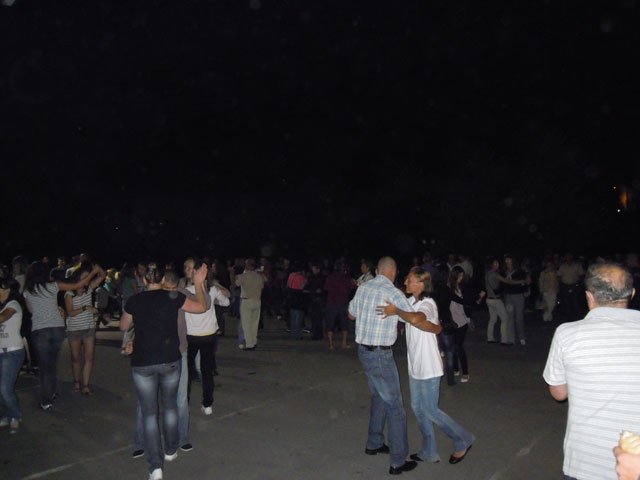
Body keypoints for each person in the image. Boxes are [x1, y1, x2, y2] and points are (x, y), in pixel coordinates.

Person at [543, 262, 640, 480]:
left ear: (589, 296)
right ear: (632, 293)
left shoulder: (567, 334)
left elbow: (559, 393)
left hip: (587, 460)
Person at [120, 262, 208, 480]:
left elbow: (123, 326)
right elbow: (202, 307)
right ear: (162, 279)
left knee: (149, 414)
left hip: (143, 363)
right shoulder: (173, 297)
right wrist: (199, 283)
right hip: (170, 360)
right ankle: (170, 450)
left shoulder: (135, 300)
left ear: (144, 280)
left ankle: (155, 467)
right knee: (170, 407)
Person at [380, 266, 475, 465]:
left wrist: (398, 311)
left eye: (409, 280)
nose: (405, 282)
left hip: (429, 366)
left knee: (430, 410)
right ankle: (429, 451)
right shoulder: (410, 301)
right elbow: (400, 310)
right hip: (415, 366)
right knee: (418, 408)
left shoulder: (428, 303)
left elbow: (415, 318)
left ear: (421, 284)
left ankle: (463, 439)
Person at [347, 256, 423, 475]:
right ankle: (398, 461)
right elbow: (412, 318)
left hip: (364, 352)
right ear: (394, 272)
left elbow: (350, 315)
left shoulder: (363, 288)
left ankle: (374, 442)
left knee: (379, 397)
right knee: (396, 407)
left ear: (378, 271)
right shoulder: (393, 293)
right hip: (380, 355)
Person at [23, 260, 103, 411]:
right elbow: (78, 285)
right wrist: (93, 272)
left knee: (45, 366)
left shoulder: (27, 291)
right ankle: (51, 392)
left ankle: (47, 400)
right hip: (57, 328)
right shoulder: (53, 286)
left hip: (40, 330)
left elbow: (31, 310)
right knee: (51, 364)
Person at [64, 263, 106, 395]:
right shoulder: (69, 293)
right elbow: (70, 312)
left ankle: (86, 385)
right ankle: (77, 383)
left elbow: (102, 275)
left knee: (89, 358)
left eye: (88, 277)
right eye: (84, 277)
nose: (87, 279)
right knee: (76, 359)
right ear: (77, 277)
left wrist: (97, 268)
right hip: (74, 329)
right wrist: (85, 308)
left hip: (88, 328)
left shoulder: (89, 289)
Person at [0, 278, 25, 434]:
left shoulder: (13, 304)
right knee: (1, 388)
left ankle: (15, 416)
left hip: (12, 352)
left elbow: (3, 318)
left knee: (5, 387)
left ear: (7, 290)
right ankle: (8, 415)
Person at [234, 258, 264, 350]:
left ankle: (249, 344)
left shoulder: (243, 276)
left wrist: (232, 274)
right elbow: (262, 287)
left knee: (246, 324)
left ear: (247, 265)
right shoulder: (259, 276)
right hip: (257, 300)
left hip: (247, 301)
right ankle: (254, 342)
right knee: (254, 323)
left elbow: (234, 285)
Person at [324, 260, 355, 350]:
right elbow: (351, 288)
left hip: (331, 303)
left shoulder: (330, 277)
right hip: (343, 303)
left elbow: (326, 288)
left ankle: (331, 344)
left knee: (330, 324)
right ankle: (344, 343)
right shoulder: (346, 278)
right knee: (344, 324)